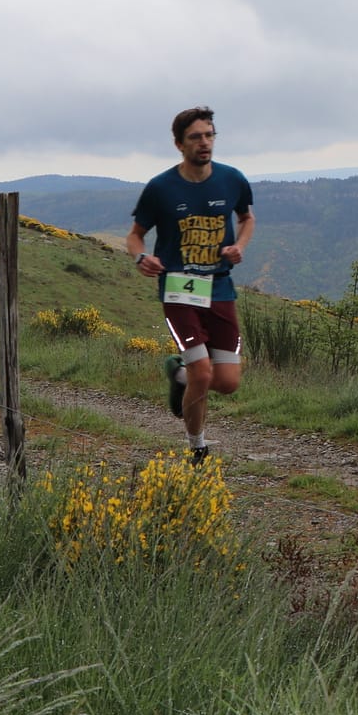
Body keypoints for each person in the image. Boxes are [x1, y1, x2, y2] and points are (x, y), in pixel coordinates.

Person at [126, 106, 255, 462]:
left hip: (219, 287)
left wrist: (239, 247)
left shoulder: (232, 179)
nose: (204, 143)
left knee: (227, 382)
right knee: (203, 371)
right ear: (179, 144)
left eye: (209, 135)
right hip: (179, 288)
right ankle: (198, 446)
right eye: (196, 137)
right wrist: (142, 258)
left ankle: (179, 374)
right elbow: (135, 235)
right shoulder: (161, 188)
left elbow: (247, 218)